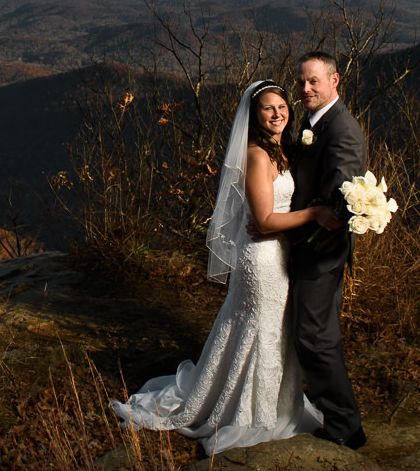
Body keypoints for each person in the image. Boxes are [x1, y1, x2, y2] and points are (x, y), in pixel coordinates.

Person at [110, 79, 338, 456]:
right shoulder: (256, 156)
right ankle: (255, 414)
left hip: (279, 253)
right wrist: (314, 213)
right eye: (268, 108)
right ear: (255, 114)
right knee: (261, 329)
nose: (278, 113)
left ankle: (277, 404)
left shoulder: (282, 150)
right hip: (263, 257)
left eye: (282, 107)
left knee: (269, 328)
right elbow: (264, 221)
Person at [284, 51, 368, 449]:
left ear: (335, 81)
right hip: (308, 248)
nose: (305, 89)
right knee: (319, 336)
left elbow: (336, 202)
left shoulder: (342, 129)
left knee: (314, 337)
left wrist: (283, 225)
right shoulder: (311, 121)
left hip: (322, 252)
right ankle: (340, 418)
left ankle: (344, 426)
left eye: (314, 81)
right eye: (301, 82)